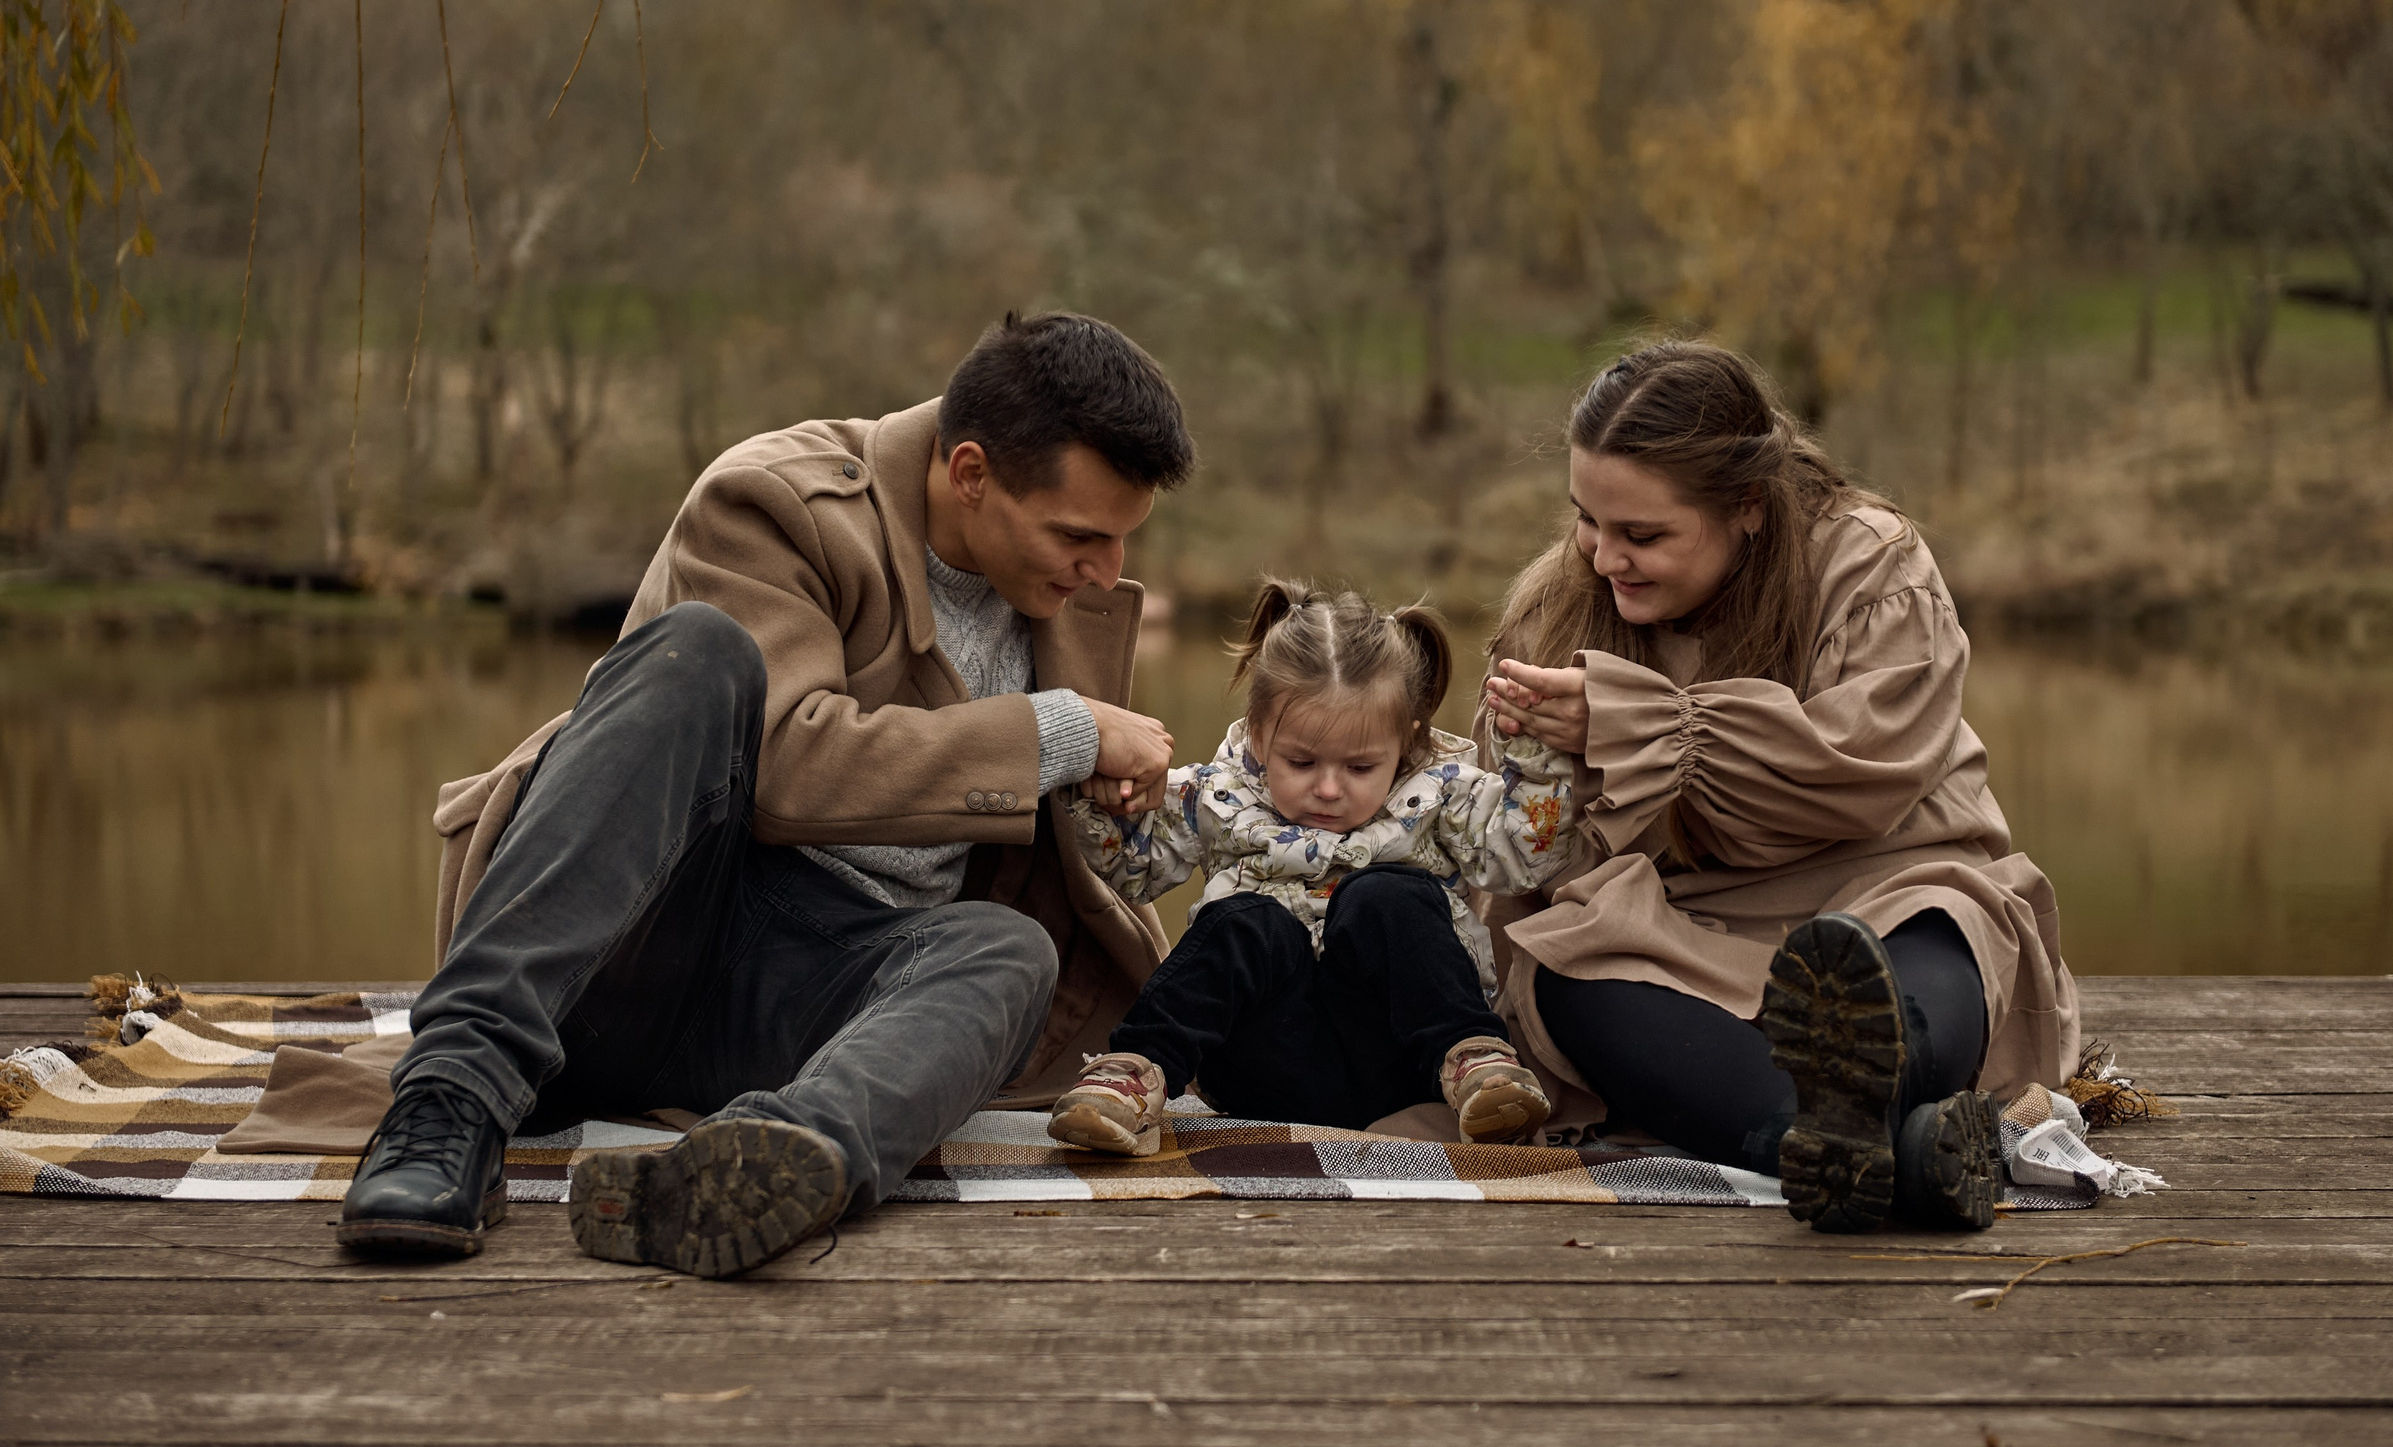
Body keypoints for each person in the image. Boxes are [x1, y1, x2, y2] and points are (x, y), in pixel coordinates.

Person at [336, 312, 1196, 1277]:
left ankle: (766, 1165)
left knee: (1007, 949)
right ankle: (450, 1101)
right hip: (624, 948)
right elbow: (791, 768)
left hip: (808, 999)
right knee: (696, 650)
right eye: (1081, 535)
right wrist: (1062, 730)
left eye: (1123, 540)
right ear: (969, 474)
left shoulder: (1057, 585)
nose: (1107, 573)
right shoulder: (773, 500)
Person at [1477, 339, 2078, 1234]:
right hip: (1682, 929)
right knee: (1564, 971)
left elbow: (1856, 775)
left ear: (1748, 507)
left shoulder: (1871, 562)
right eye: (1587, 521)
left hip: (1888, 888)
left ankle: (1822, 1134)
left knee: (1931, 940)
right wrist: (1540, 765)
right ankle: (1882, 1155)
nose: (1605, 558)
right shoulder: (1562, 603)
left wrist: (1644, 727)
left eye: (1643, 534)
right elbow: (1526, 853)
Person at [1047, 581, 1577, 1155]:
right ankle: (1131, 1078)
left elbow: (1525, 857)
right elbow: (1133, 872)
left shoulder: (1442, 795)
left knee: (1387, 896)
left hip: (1400, 1057)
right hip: (1263, 1063)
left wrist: (1534, 754)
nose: (1327, 789)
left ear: (1406, 742)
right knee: (1243, 921)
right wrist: (1109, 799)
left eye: (1360, 766)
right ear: (1258, 733)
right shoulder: (1216, 795)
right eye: (1300, 761)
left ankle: (1477, 1063)